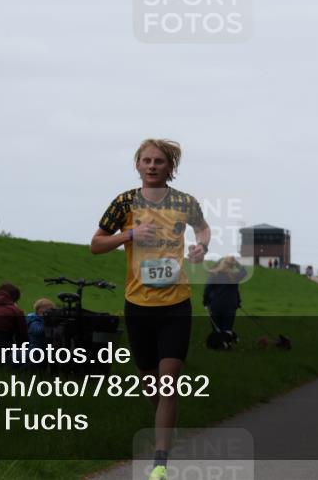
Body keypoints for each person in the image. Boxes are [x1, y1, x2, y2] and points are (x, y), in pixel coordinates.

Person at [90, 138, 210, 480]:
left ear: (170, 167)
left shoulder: (184, 202)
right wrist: (129, 234)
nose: (153, 166)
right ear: (138, 165)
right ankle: (168, 429)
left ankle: (160, 462)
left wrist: (201, 247)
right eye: (147, 160)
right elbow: (96, 244)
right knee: (151, 385)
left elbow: (202, 228)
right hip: (138, 305)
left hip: (176, 304)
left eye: (159, 161)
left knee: (168, 382)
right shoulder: (124, 202)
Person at [203, 256, 247, 342]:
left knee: (217, 329)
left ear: (221, 264)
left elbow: (207, 289)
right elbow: (244, 272)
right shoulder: (235, 276)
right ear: (232, 265)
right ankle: (227, 344)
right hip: (230, 306)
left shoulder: (214, 275)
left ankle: (219, 345)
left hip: (216, 305)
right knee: (227, 329)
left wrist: (206, 302)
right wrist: (237, 264)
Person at [26, 297, 55, 366]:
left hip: (45, 349)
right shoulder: (34, 320)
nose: (48, 312)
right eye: (45, 309)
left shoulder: (43, 320)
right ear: (38, 310)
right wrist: (47, 322)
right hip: (36, 350)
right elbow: (38, 331)